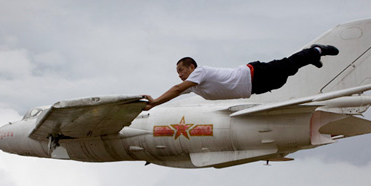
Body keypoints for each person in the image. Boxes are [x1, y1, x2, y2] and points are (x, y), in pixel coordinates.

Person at [143, 44, 339, 111]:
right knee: (283, 77)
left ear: (191, 67)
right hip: (253, 88)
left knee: (286, 65)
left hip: (253, 74)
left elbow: (176, 89)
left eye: (181, 70)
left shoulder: (199, 73)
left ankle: (315, 51)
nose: (179, 75)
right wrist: (156, 104)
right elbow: (175, 94)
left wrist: (155, 101)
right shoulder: (193, 86)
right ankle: (309, 57)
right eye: (177, 72)